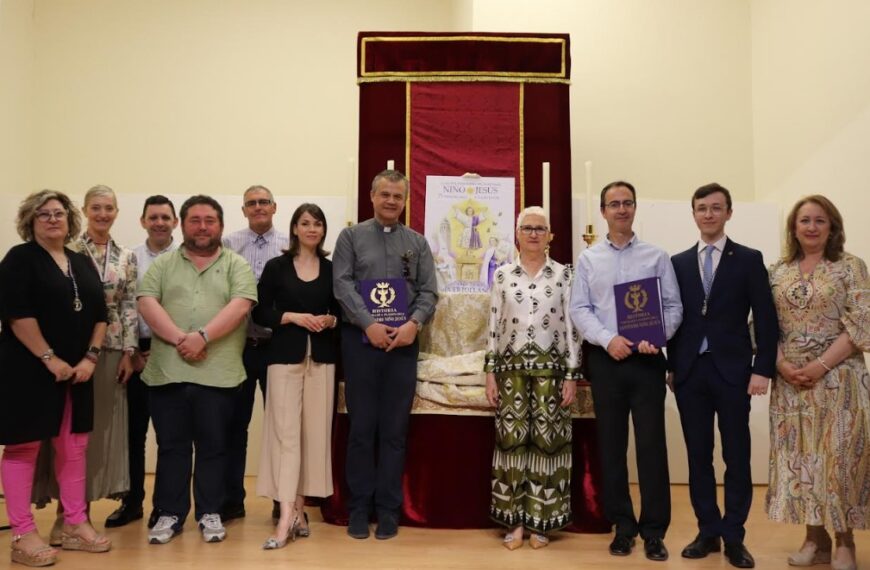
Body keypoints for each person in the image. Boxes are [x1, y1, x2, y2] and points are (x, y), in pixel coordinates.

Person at [569, 180, 682, 561]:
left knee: (652, 447)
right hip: (607, 360)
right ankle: (623, 526)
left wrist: (658, 335)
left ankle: (654, 530)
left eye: (627, 203)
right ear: (603, 211)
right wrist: (607, 339)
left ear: (635, 208)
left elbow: (672, 305)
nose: (621, 209)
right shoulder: (588, 259)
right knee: (611, 446)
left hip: (647, 360)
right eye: (613, 204)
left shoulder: (656, 256)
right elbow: (580, 309)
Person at [667, 183, 778, 568]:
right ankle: (707, 531)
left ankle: (734, 536)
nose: (709, 214)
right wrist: (670, 366)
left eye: (716, 208)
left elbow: (765, 318)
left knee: (737, 456)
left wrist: (762, 368)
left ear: (729, 213)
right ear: (693, 214)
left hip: (733, 372)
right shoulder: (677, 263)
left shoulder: (748, 259)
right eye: (702, 208)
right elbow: (671, 318)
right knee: (699, 457)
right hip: (690, 374)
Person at [137, 195, 257, 545]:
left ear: (220, 225)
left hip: (218, 375)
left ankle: (210, 511)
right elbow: (146, 301)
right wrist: (181, 339)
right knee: (172, 446)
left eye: (210, 220)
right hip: (167, 373)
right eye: (195, 220)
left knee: (214, 446)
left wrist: (203, 337)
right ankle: (169, 513)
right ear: (182, 224)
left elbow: (240, 306)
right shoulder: (163, 265)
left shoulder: (237, 264)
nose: (202, 227)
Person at [1, 190, 111, 566]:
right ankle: (22, 533)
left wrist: (90, 358)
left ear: (70, 219)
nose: (52, 219)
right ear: (30, 221)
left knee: (74, 446)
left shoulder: (81, 262)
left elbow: (100, 315)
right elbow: (16, 314)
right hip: (29, 369)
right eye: (43, 214)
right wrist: (50, 359)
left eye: (59, 213)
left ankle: (74, 524)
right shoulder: (20, 259)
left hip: (78, 372)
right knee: (23, 447)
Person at [766, 195, 870, 570]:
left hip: (840, 380)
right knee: (802, 460)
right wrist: (780, 364)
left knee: (839, 460)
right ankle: (815, 539)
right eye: (804, 220)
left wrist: (821, 365)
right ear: (793, 228)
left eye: (819, 220)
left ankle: (845, 541)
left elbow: (862, 322)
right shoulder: (777, 271)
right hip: (791, 384)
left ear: (832, 227)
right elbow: (764, 325)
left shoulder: (850, 267)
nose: (811, 227)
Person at [333, 169, 438, 540]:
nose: (391, 201)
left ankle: (389, 509)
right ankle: (359, 507)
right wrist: (367, 324)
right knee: (362, 429)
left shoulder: (418, 243)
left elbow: (428, 292)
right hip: (360, 344)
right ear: (372, 196)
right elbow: (342, 285)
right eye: (385, 195)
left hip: (402, 346)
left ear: (405, 200)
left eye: (398, 196)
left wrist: (413, 324)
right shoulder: (350, 237)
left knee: (394, 431)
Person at [33, 184, 137, 542]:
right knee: (64, 434)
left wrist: (128, 351)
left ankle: (81, 513)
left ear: (117, 212)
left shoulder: (126, 255)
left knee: (94, 436)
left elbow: (127, 305)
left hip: (107, 353)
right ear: (85, 210)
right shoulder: (69, 249)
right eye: (96, 208)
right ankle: (65, 514)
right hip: (70, 350)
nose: (103, 214)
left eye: (109, 208)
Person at [484, 206, 579, 551]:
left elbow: (571, 327)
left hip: (551, 373)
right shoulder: (503, 275)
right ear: (518, 233)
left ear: (550, 235)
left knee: (548, 446)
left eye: (541, 228)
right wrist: (490, 372)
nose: (534, 233)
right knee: (511, 446)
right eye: (528, 228)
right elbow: (493, 325)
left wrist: (571, 374)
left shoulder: (564, 274)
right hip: (510, 372)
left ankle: (543, 521)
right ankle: (516, 522)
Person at [253, 203, 340, 549]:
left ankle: (300, 511)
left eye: (318, 223)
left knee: (312, 436)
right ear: (293, 228)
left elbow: (341, 311)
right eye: (305, 223)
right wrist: (292, 317)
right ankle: (285, 515)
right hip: (284, 359)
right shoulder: (277, 267)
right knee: (286, 437)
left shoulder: (333, 268)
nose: (312, 229)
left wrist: (330, 321)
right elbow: (261, 310)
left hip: (322, 360)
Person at [105, 195, 179, 529]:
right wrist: (132, 351)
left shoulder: (186, 258)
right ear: (143, 221)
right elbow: (122, 307)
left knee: (170, 436)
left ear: (175, 222)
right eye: (154, 217)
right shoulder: (128, 258)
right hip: (133, 354)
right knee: (133, 435)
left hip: (174, 353)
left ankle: (164, 507)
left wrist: (164, 348)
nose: (160, 222)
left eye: (166, 217)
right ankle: (132, 501)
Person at [222, 184, 289, 522]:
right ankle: (232, 498)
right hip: (239, 348)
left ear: (274, 207)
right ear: (244, 209)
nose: (259, 207)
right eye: (252, 203)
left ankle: (282, 497)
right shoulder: (229, 244)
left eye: (264, 202)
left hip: (278, 349)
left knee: (280, 426)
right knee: (235, 426)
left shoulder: (289, 246)